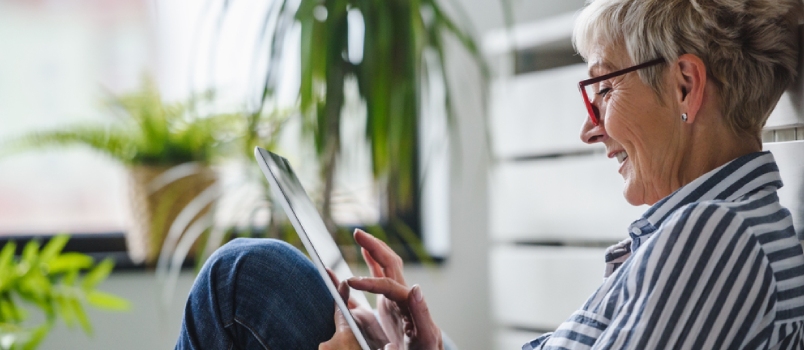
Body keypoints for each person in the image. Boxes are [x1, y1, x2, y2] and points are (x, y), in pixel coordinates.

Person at [175, 0, 804, 348]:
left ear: (686, 85)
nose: (588, 129)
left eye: (602, 91)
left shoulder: (718, 238)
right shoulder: (701, 232)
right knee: (252, 276)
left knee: (242, 280)